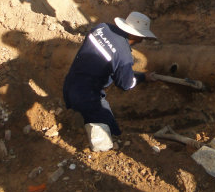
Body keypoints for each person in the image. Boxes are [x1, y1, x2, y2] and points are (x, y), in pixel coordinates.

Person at [63, 11, 157, 151]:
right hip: (88, 97)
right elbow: (125, 84)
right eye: (142, 37)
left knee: (85, 112)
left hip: (69, 84)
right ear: (136, 35)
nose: (142, 40)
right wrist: (143, 77)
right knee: (112, 135)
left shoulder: (101, 28)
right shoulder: (124, 56)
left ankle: (78, 119)